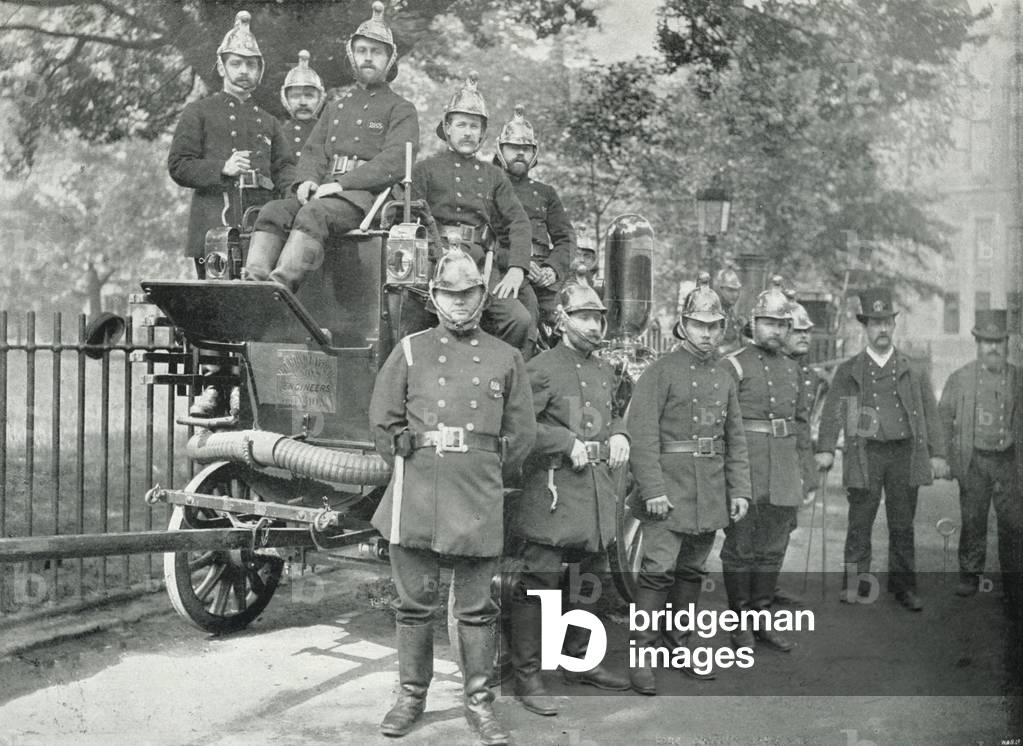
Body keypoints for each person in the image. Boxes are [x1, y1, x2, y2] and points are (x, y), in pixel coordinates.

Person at [370, 250, 535, 745]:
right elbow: (383, 421)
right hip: (417, 493)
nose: (458, 303)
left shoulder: (507, 358)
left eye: (468, 294)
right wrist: (413, 461)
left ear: (482, 298)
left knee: (477, 609)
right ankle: (410, 698)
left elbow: (521, 435)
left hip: (477, 495)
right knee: (414, 605)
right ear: (434, 297)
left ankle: (480, 705)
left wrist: (482, 470)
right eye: (448, 294)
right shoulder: (412, 349)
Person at [507, 283, 631, 717]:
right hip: (553, 494)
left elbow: (613, 413)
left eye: (598, 318)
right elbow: (518, 427)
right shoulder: (540, 368)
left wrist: (619, 432)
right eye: (583, 317)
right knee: (538, 587)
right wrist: (562, 439)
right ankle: (527, 678)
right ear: (561, 319)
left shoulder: (602, 370)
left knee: (588, 583)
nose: (594, 326)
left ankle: (578, 662)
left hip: (594, 495)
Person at [626, 273, 752, 695]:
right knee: (657, 575)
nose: (707, 333)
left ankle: (680, 647)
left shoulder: (724, 376)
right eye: (699, 324)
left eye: (714, 326)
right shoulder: (660, 372)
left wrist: (740, 491)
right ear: (683, 325)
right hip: (669, 492)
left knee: (691, 575)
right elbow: (641, 437)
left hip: (710, 492)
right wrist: (653, 490)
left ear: (723, 328)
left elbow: (735, 439)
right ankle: (641, 656)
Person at [243, 1, 420, 292]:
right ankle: (252, 289)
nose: (368, 58)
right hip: (324, 192)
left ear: (389, 60)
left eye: (376, 52)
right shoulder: (336, 107)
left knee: (315, 213)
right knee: (274, 210)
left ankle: (278, 291)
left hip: (365, 200)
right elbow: (314, 151)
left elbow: (396, 160)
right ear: (352, 56)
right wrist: (306, 181)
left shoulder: (401, 109)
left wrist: (341, 184)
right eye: (362, 51)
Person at [815, 287, 949, 611]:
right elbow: (834, 411)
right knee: (860, 520)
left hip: (904, 453)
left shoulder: (913, 368)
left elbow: (930, 412)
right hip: (865, 454)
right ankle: (855, 583)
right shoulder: (849, 370)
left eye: (887, 322)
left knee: (902, 524)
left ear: (894, 325)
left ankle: (903, 588)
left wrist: (938, 453)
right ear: (865, 327)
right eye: (875, 323)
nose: (882, 329)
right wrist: (827, 448)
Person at [406, 73, 536, 358]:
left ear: (482, 134)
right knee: (406, 320)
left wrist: (516, 269)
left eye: (474, 126)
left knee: (519, 320)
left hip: (479, 264)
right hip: (431, 261)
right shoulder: (425, 169)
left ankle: (495, 378)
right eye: (461, 124)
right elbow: (404, 217)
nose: (467, 132)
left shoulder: (494, 176)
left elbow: (519, 222)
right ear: (448, 129)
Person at [720, 276, 811, 652]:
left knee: (773, 548)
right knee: (741, 549)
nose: (776, 331)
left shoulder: (792, 369)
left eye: (782, 325)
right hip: (749, 468)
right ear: (753, 324)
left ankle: (762, 618)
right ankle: (739, 625)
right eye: (769, 323)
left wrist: (804, 472)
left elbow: (802, 424)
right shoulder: (734, 365)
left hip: (784, 470)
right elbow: (723, 425)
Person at [168, 10, 295, 278]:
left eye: (251, 65)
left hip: (262, 231)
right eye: (236, 64)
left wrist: (296, 192)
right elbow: (179, 166)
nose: (244, 71)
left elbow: (285, 169)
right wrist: (221, 168)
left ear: (259, 71)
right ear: (222, 66)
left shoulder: (269, 121)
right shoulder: (198, 112)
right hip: (212, 226)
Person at [937, 309, 1022, 613]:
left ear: (1007, 342)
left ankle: (1014, 586)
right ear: (977, 343)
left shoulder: (1018, 378)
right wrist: (944, 458)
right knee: (973, 519)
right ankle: (970, 575)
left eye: (998, 341)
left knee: (1013, 525)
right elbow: (943, 419)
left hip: (1009, 463)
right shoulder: (960, 378)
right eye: (986, 341)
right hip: (975, 461)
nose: (993, 347)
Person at [493, 106, 576, 333]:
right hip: (508, 269)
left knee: (573, 322)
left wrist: (552, 268)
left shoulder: (545, 192)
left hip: (545, 274)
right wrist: (518, 263)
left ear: (534, 154)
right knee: (525, 320)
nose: (520, 153)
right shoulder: (489, 186)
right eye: (513, 148)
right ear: (500, 150)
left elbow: (565, 237)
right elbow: (488, 240)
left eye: (526, 149)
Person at [772, 295, 827, 606]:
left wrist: (808, 473)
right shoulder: (771, 370)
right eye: (797, 331)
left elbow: (804, 430)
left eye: (808, 331)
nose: (805, 336)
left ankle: (769, 586)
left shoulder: (808, 375)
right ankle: (753, 594)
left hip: (793, 463)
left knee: (786, 525)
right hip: (768, 462)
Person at [279, 50, 325, 160]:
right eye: (295, 96)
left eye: (309, 96)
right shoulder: (278, 137)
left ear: (320, 98)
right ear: (286, 99)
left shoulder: (331, 134)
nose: (303, 102)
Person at [714, 260, 744, 355]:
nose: (735, 295)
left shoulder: (730, 313)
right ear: (719, 289)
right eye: (730, 290)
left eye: (737, 290)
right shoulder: (711, 313)